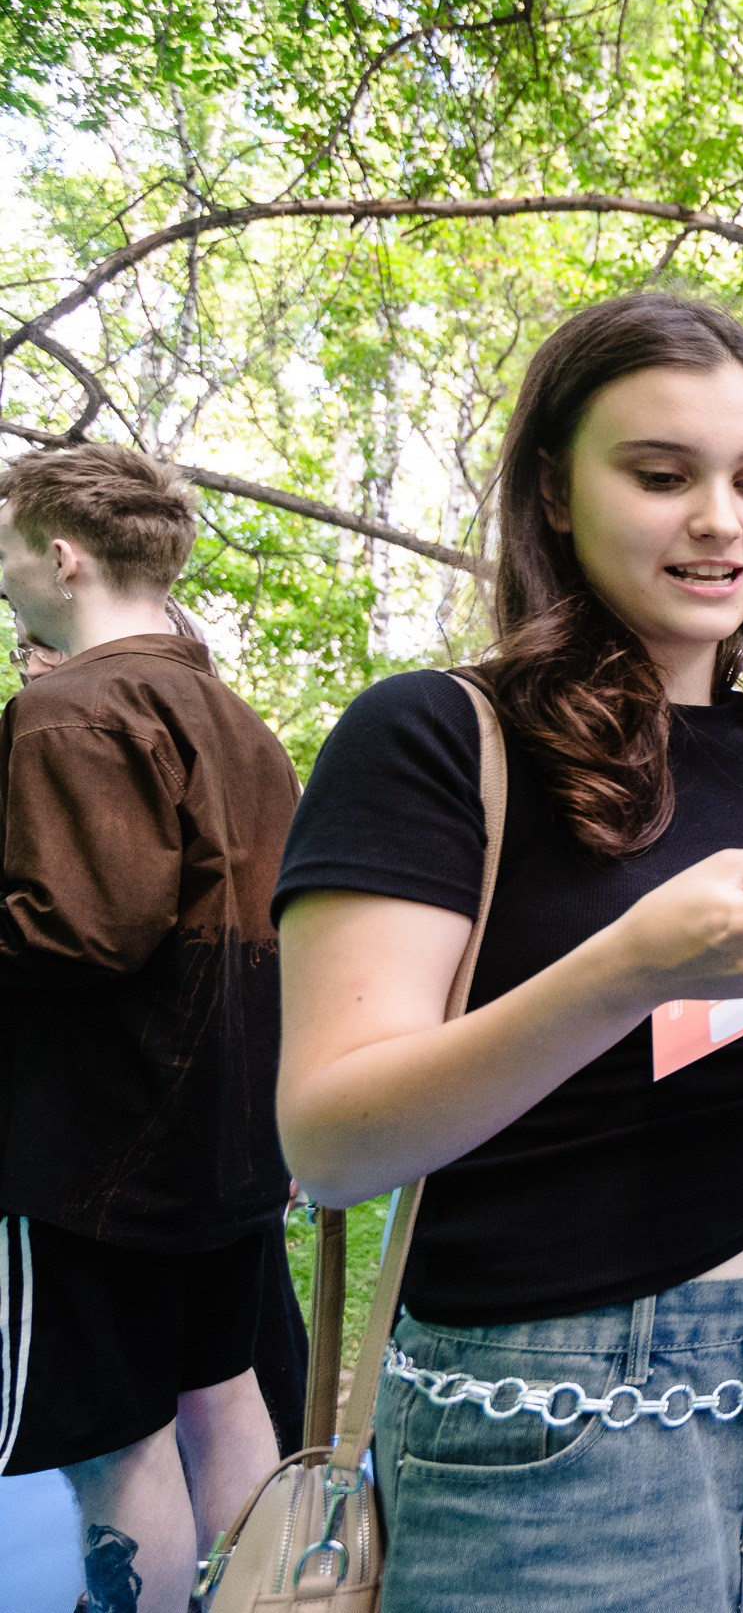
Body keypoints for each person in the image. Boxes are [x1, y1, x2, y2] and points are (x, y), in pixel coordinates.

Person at [272, 294, 743, 1609]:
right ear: (555, 490)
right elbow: (331, 1140)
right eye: (661, 475)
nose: (720, 521)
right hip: (558, 1423)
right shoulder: (434, 737)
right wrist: (635, 966)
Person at [0, 444, 303, 1613]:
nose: (10, 575)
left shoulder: (66, 707)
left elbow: (82, 927)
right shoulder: (236, 721)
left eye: (13, 551)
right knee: (223, 1395)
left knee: (115, 1441)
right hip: (226, 1148)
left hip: (97, 1159)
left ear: (64, 555)